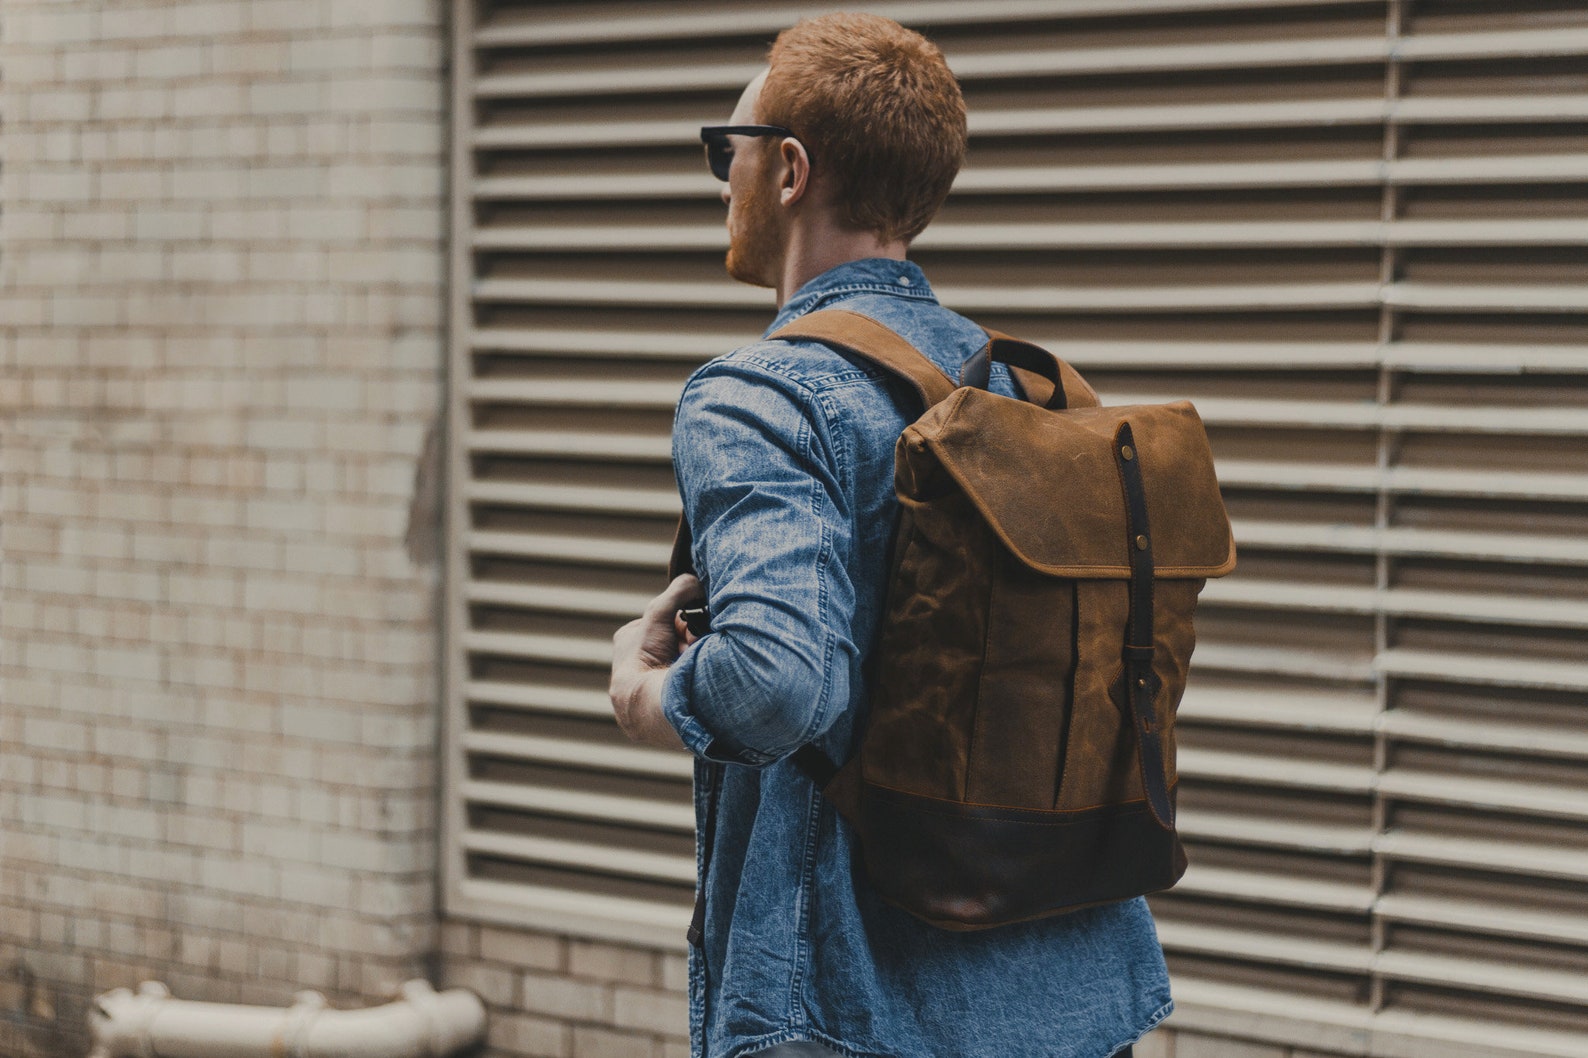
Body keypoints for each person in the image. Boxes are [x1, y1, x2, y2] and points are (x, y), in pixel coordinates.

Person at [609, 14, 1170, 1058]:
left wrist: (654, 698)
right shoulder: (1028, 389)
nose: (716, 180)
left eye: (719, 151)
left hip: (851, 1005)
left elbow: (779, 683)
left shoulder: (756, 395)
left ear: (787, 169)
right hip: (1075, 984)